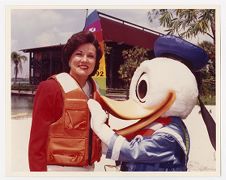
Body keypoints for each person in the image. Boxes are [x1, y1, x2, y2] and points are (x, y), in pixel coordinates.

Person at [87, 35, 209, 171]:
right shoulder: (154, 123)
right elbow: (124, 143)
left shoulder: (170, 136)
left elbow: (132, 151)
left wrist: (100, 127)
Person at [28, 31, 103, 171]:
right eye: (79, 54)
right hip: (57, 170)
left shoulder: (96, 92)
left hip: (90, 169)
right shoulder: (50, 88)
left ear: (96, 62)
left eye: (91, 56)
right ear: (69, 58)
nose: (85, 60)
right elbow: (36, 145)